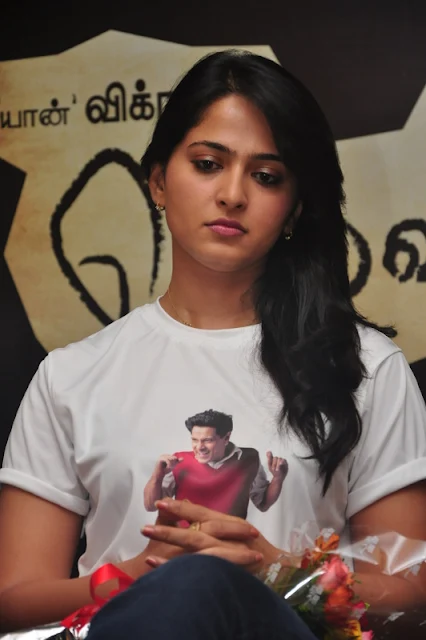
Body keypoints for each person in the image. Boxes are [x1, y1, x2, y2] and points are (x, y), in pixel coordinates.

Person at [0, 49, 426, 639]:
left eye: (266, 176)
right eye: (207, 164)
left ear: (295, 208)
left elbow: (410, 593)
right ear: (157, 180)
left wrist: (276, 572)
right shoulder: (70, 375)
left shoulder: (367, 368)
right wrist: (141, 577)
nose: (232, 194)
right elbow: (15, 600)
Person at [144, 409, 288, 517]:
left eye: (207, 440)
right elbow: (151, 506)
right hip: (186, 542)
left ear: (226, 438)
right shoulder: (177, 462)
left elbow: (263, 503)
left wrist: (278, 478)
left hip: (231, 543)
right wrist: (157, 475)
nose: (199, 447)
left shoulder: (249, 458)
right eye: (194, 440)